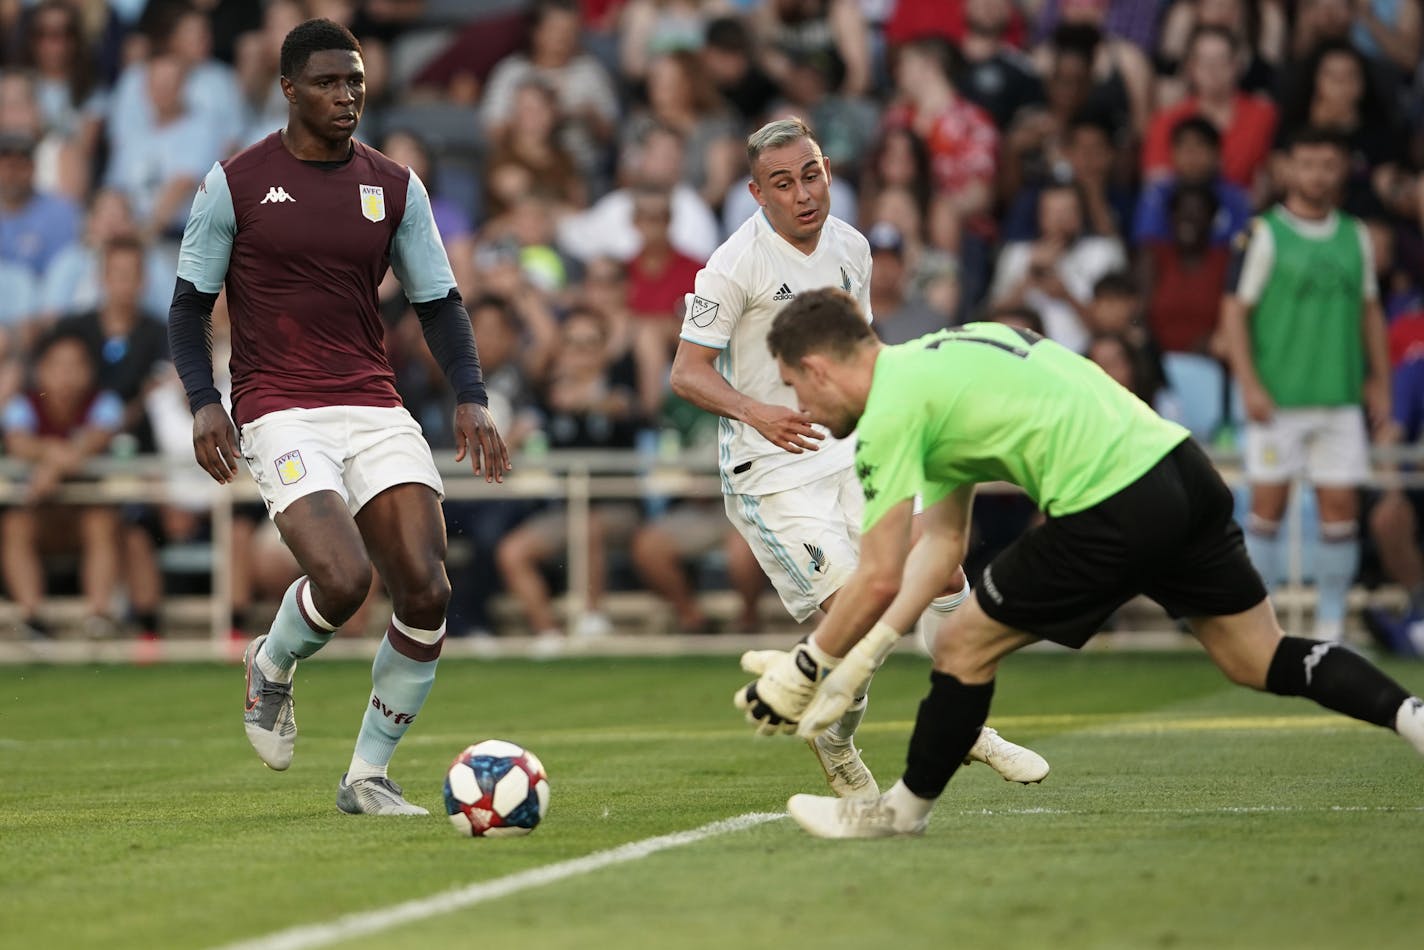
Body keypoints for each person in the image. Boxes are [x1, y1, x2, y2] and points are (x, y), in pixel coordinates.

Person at [733, 287, 1424, 838]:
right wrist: (859, 655)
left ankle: (898, 813)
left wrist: (806, 668)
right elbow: (941, 547)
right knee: (1257, 658)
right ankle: (1412, 717)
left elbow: (881, 573)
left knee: (964, 644)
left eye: (797, 386)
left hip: (1110, 501)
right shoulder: (945, 355)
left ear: (819, 367)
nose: (803, 406)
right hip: (1183, 473)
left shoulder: (887, 416)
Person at [166, 19, 510, 816]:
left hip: (372, 400)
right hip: (277, 405)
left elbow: (440, 303)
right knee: (346, 577)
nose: (346, 95)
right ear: (288, 89)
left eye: (355, 81)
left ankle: (366, 777)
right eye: (328, 82)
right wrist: (202, 400)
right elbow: (187, 308)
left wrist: (471, 394)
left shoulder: (395, 185)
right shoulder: (237, 182)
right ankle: (272, 665)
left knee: (425, 589)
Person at [670, 117, 1047, 801]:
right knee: (860, 613)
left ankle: (963, 726)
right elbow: (686, 373)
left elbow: (861, 348)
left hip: (848, 450)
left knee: (942, 570)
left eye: (811, 174)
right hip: (773, 472)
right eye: (783, 184)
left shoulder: (851, 246)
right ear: (758, 194)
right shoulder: (733, 266)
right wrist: (762, 413)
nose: (803, 193)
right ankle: (835, 741)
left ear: (828, 172)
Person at [1220, 127, 1389, 644]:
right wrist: (1248, 382)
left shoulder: (1355, 234)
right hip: (1279, 398)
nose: (1318, 174)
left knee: (1341, 508)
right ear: (1288, 169)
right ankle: (1262, 631)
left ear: (1341, 170)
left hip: (1338, 396)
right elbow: (1233, 311)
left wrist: (1377, 379)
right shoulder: (1263, 233)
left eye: (1328, 164)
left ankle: (1332, 627)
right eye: (1308, 163)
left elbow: (1369, 311)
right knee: (1267, 507)